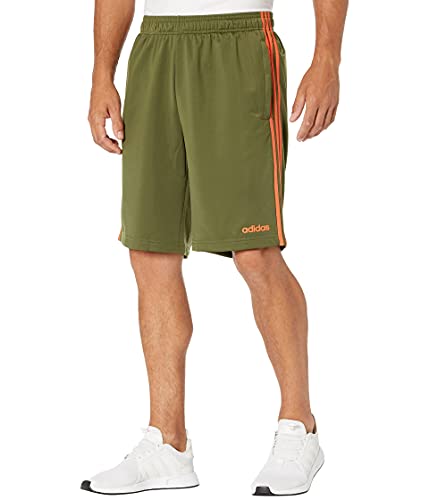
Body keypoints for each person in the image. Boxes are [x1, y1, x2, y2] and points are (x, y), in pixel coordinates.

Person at [82, 0, 348, 496]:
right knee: (150, 249)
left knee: (254, 250)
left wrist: (327, 57)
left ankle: (300, 426)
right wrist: (102, 74)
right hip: (156, 46)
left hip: (239, 40)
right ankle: (168, 443)